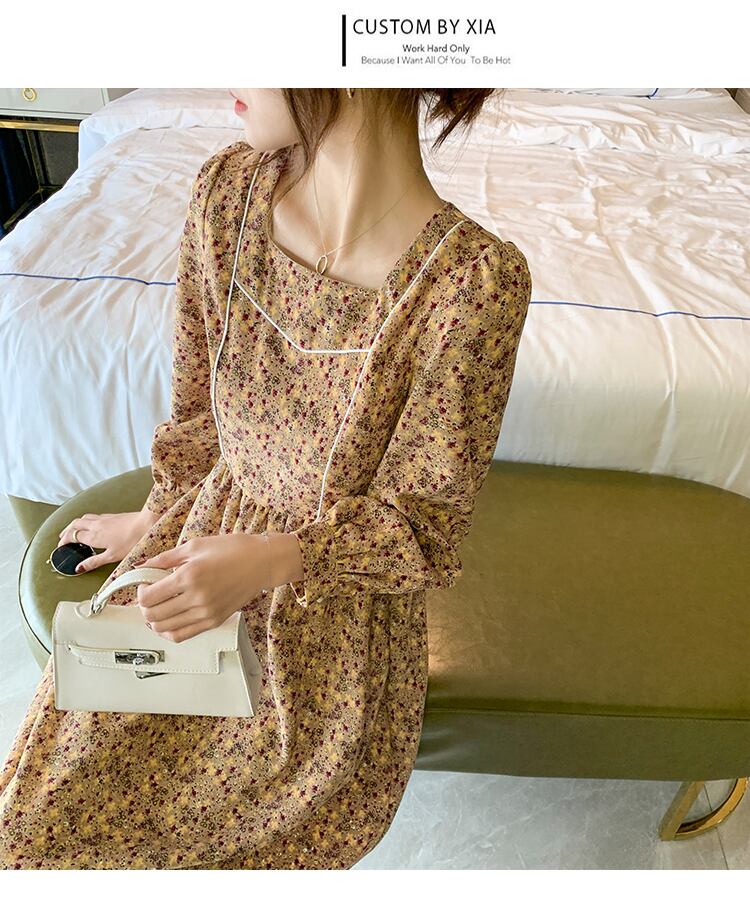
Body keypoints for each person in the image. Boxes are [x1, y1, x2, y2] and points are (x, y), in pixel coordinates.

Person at [0, 88, 532, 869]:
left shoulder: (472, 285)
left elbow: (422, 529)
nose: (226, 79)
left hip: (333, 616)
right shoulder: (227, 194)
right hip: (200, 542)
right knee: (32, 824)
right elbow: (197, 412)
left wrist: (273, 558)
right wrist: (159, 514)